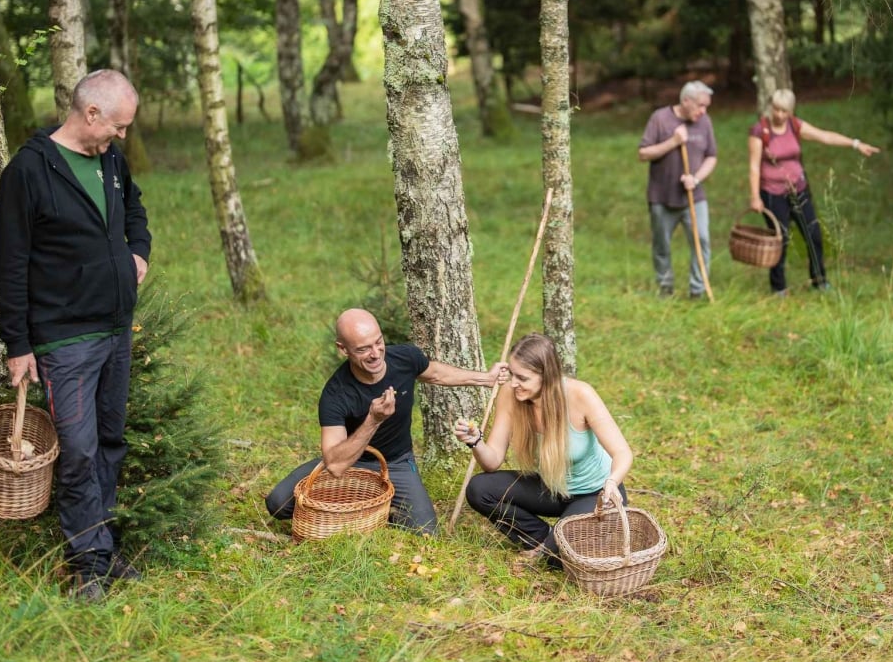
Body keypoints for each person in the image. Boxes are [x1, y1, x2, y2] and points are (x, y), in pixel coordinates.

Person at [0, 69, 151, 603]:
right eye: (118, 126)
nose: (122, 136)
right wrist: (17, 344)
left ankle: (102, 546)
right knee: (79, 451)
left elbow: (135, 210)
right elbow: (9, 264)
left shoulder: (111, 161)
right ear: (90, 113)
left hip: (115, 328)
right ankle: (88, 566)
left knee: (109, 442)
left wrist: (137, 252)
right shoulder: (28, 172)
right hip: (64, 339)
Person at [265, 308, 509, 535]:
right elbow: (336, 465)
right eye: (363, 349)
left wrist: (485, 379)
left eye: (378, 342)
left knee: (425, 530)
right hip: (351, 461)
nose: (375, 354)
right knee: (278, 503)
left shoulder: (405, 357)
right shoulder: (336, 393)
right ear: (343, 349)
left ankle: (380, 509)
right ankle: (366, 507)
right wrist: (374, 420)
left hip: (397, 463)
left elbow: (436, 374)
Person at [455, 333, 633, 568]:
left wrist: (612, 482)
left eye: (523, 378)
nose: (513, 383)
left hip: (595, 493)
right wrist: (475, 441)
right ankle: (541, 537)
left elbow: (622, 452)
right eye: (512, 374)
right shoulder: (510, 394)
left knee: (555, 560)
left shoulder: (580, 395)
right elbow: (492, 461)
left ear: (547, 376)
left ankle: (554, 545)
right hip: (550, 487)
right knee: (479, 489)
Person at [746, 88, 879, 295]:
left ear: (791, 111)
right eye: (776, 109)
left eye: (784, 111)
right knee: (781, 239)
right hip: (772, 193)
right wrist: (755, 197)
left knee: (814, 234)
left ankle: (819, 280)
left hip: (799, 190)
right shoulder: (760, 131)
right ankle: (778, 287)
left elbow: (825, 137)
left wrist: (855, 144)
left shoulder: (795, 126)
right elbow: (754, 166)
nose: (779, 115)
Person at [638, 80, 717, 297]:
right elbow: (643, 153)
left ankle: (698, 290)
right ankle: (665, 289)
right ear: (686, 101)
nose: (704, 111)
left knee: (702, 240)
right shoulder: (660, 119)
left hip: (694, 196)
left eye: (706, 106)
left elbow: (711, 156)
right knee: (661, 245)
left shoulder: (705, 122)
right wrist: (673, 141)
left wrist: (696, 179)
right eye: (700, 106)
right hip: (662, 197)